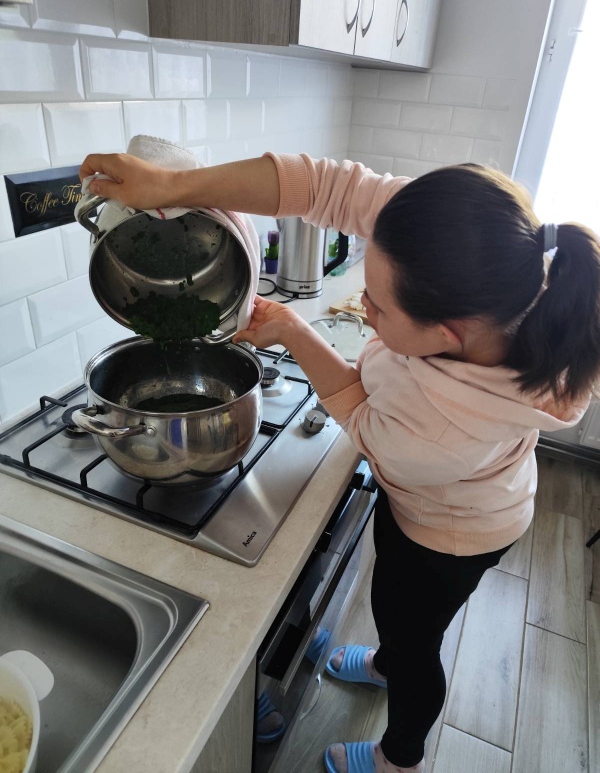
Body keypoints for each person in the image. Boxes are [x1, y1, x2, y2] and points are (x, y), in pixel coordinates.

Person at [79, 151, 600, 773]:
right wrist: (170, 185)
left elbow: (364, 422)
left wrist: (295, 331)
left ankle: (399, 754)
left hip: (455, 531)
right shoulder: (462, 250)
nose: (365, 312)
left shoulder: (442, 429)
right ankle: (386, 659)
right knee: (395, 605)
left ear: (446, 335)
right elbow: (325, 185)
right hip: (434, 496)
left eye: (376, 306)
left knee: (417, 639)